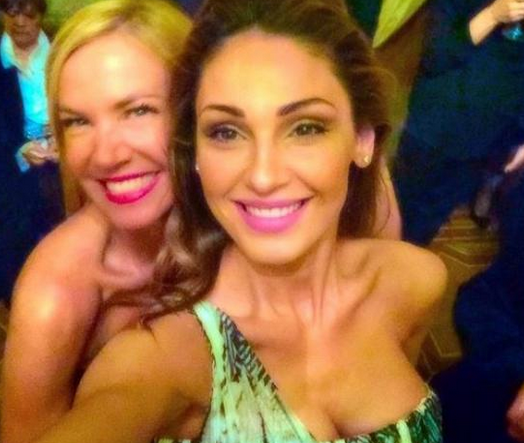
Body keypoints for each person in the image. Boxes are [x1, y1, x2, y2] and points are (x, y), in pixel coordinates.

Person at [25, 0, 446, 442]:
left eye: (305, 128)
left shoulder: (415, 281)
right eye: (226, 132)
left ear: (362, 139)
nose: (263, 176)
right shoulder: (162, 357)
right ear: (194, 153)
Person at [0, 1, 191, 443]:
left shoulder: (247, 228)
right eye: (77, 121)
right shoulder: (54, 297)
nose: (105, 156)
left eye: (138, 110)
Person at [392, 0, 524, 245]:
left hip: (485, 141)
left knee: (430, 219)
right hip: (432, 127)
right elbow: (436, 55)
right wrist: (493, 15)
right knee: (397, 207)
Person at [0, 0, 63, 300]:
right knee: (16, 228)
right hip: (10, 159)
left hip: (62, 154)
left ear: (41, 15)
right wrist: (19, 149)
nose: (19, 22)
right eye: (11, 12)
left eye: (28, 13)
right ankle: (21, 298)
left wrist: (64, 136)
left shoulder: (61, 50)